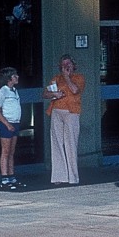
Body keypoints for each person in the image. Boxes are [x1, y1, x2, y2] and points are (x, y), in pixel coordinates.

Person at [47, 54, 85, 186]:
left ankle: (73, 177)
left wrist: (67, 77)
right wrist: (54, 94)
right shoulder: (56, 78)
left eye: (68, 64)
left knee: (71, 144)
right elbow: (45, 93)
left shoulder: (79, 78)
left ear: (73, 65)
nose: (66, 66)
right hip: (56, 111)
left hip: (71, 112)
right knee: (57, 143)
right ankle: (59, 176)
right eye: (63, 65)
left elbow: (75, 90)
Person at [0, 67, 23, 191]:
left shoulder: (14, 91)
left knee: (11, 151)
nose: (17, 77)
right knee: (5, 151)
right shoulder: (3, 91)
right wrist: (6, 123)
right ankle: (4, 178)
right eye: (14, 76)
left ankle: (11, 177)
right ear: (8, 78)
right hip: (6, 123)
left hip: (15, 122)